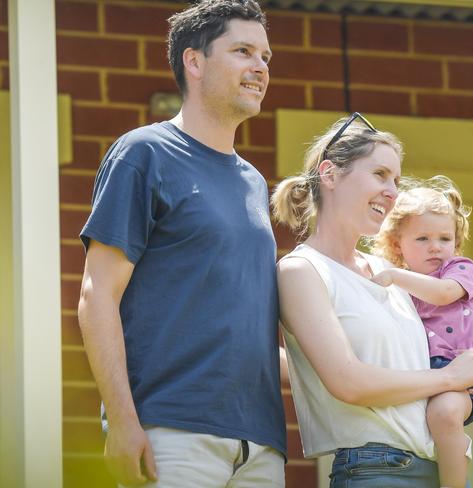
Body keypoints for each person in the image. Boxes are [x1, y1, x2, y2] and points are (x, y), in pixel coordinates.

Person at [77, 1, 286, 486]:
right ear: (194, 62)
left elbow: (241, 328)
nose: (260, 67)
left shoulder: (253, 182)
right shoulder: (143, 153)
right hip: (170, 433)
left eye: (266, 57)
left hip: (259, 445)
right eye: (242, 51)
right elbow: (96, 295)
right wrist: (123, 422)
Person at [271, 112, 473, 487]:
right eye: (379, 175)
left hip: (438, 470)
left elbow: (434, 346)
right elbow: (349, 382)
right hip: (376, 471)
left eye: (395, 179)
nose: (392, 191)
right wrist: (448, 376)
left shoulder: (391, 272)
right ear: (329, 175)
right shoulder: (303, 270)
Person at [371, 176, 473, 488]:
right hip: (420, 374)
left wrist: (395, 276)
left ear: (456, 243)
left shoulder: (459, 270)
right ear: (398, 245)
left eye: (445, 239)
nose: (435, 247)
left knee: (446, 413)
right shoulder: (402, 288)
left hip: (459, 370)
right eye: (422, 239)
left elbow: (442, 294)